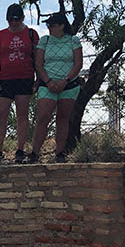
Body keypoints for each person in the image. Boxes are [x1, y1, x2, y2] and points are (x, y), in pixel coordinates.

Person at [30, 13, 83, 163]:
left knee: (63, 118)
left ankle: (60, 152)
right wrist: (48, 81)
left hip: (69, 84)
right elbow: (38, 63)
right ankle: (34, 152)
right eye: (48, 25)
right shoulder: (45, 40)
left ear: (62, 26)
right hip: (48, 83)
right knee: (43, 116)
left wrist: (65, 81)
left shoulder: (73, 40)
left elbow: (78, 63)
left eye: (52, 25)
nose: (49, 28)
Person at [0, 3, 38, 163]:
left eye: (16, 19)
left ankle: (20, 149)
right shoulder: (0, 35)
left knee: (22, 114)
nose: (14, 23)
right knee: (1, 114)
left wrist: (38, 79)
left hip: (25, 78)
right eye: (10, 20)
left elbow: (38, 58)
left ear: (22, 18)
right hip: (5, 79)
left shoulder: (31, 34)